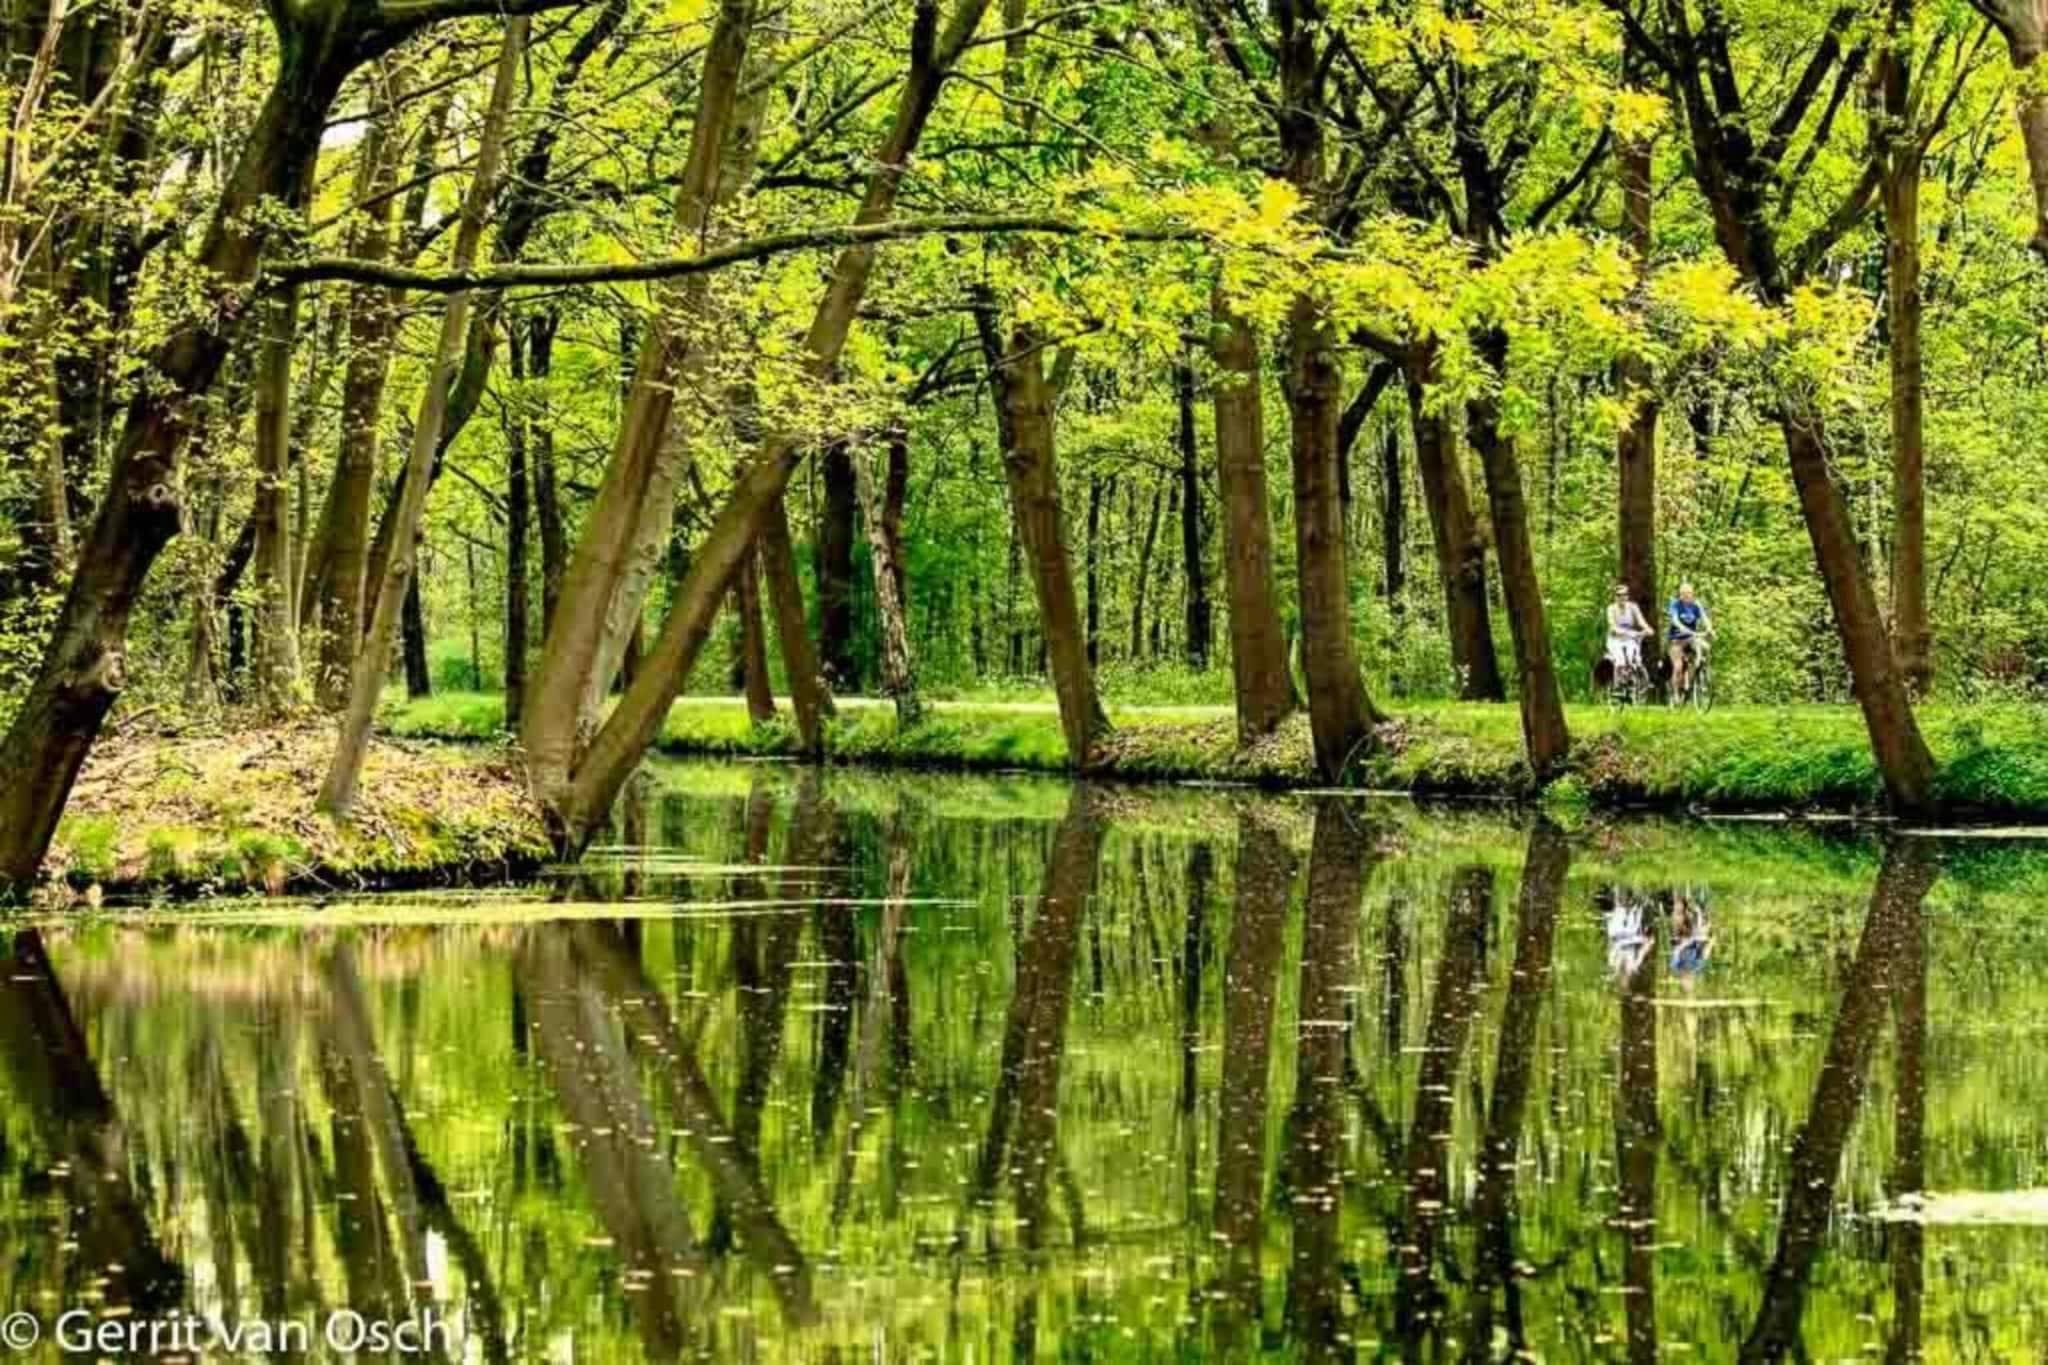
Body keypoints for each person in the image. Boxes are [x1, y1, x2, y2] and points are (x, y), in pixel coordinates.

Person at [1667, 581, 1713, 696]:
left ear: (1692, 594)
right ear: (1680, 595)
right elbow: (1675, 620)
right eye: (1684, 594)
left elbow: (1704, 618)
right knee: (1678, 667)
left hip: (1691, 637)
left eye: (1689, 593)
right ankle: (1675, 693)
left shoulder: (1696, 605)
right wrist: (1682, 628)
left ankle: (1701, 671)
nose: (1687, 596)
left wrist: (1709, 629)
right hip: (1677, 639)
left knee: (1706, 647)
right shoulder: (1675, 605)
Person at [1606, 584, 1653, 677]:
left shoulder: (1633, 607)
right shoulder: (1611, 609)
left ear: (1627, 596)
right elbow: (1612, 625)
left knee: (1634, 658)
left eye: (1624, 594)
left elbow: (1641, 621)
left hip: (1630, 638)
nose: (1622, 597)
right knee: (1621, 660)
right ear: (1615, 597)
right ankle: (1619, 680)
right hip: (1615, 639)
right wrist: (1624, 632)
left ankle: (1638, 679)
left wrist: (1648, 629)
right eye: (1619, 595)